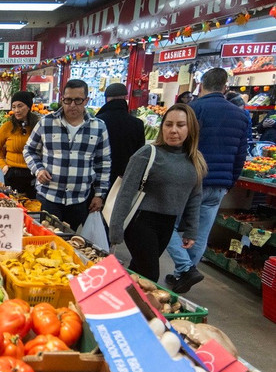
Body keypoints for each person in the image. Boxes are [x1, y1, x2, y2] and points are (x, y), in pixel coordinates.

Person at [165, 67, 250, 293]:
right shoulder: (242, 115)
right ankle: (184, 274)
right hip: (219, 184)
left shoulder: (193, 110)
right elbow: (241, 154)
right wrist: (229, 182)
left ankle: (184, 269)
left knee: (166, 225)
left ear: (201, 85)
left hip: (190, 180)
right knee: (200, 233)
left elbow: (180, 146)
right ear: (225, 87)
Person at [109, 104, 206, 282]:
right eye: (168, 124)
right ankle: (144, 309)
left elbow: (194, 196)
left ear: (190, 128)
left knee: (137, 271)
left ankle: (123, 303)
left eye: (180, 125)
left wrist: (192, 230)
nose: (173, 130)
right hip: (141, 222)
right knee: (150, 276)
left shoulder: (195, 159)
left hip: (168, 224)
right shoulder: (148, 153)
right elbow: (126, 192)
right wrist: (116, 227)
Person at [23, 79, 111, 230]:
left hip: (79, 199)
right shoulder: (46, 122)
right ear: (62, 99)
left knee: (71, 240)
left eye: (78, 100)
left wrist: (99, 194)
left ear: (86, 101)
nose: (72, 105)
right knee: (46, 238)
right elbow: (29, 150)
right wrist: (38, 170)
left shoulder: (98, 127)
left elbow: (103, 162)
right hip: (48, 196)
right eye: (68, 100)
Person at [96, 82, 145, 187]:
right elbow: (140, 156)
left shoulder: (97, 122)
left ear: (107, 99)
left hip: (99, 180)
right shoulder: (137, 124)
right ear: (125, 98)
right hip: (125, 180)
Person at [0, 90, 40, 197]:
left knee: (32, 206)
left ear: (28, 107)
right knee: (13, 206)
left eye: (20, 106)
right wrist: (3, 166)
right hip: (12, 173)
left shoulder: (38, 127)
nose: (16, 110)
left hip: (33, 173)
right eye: (14, 107)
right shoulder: (7, 127)